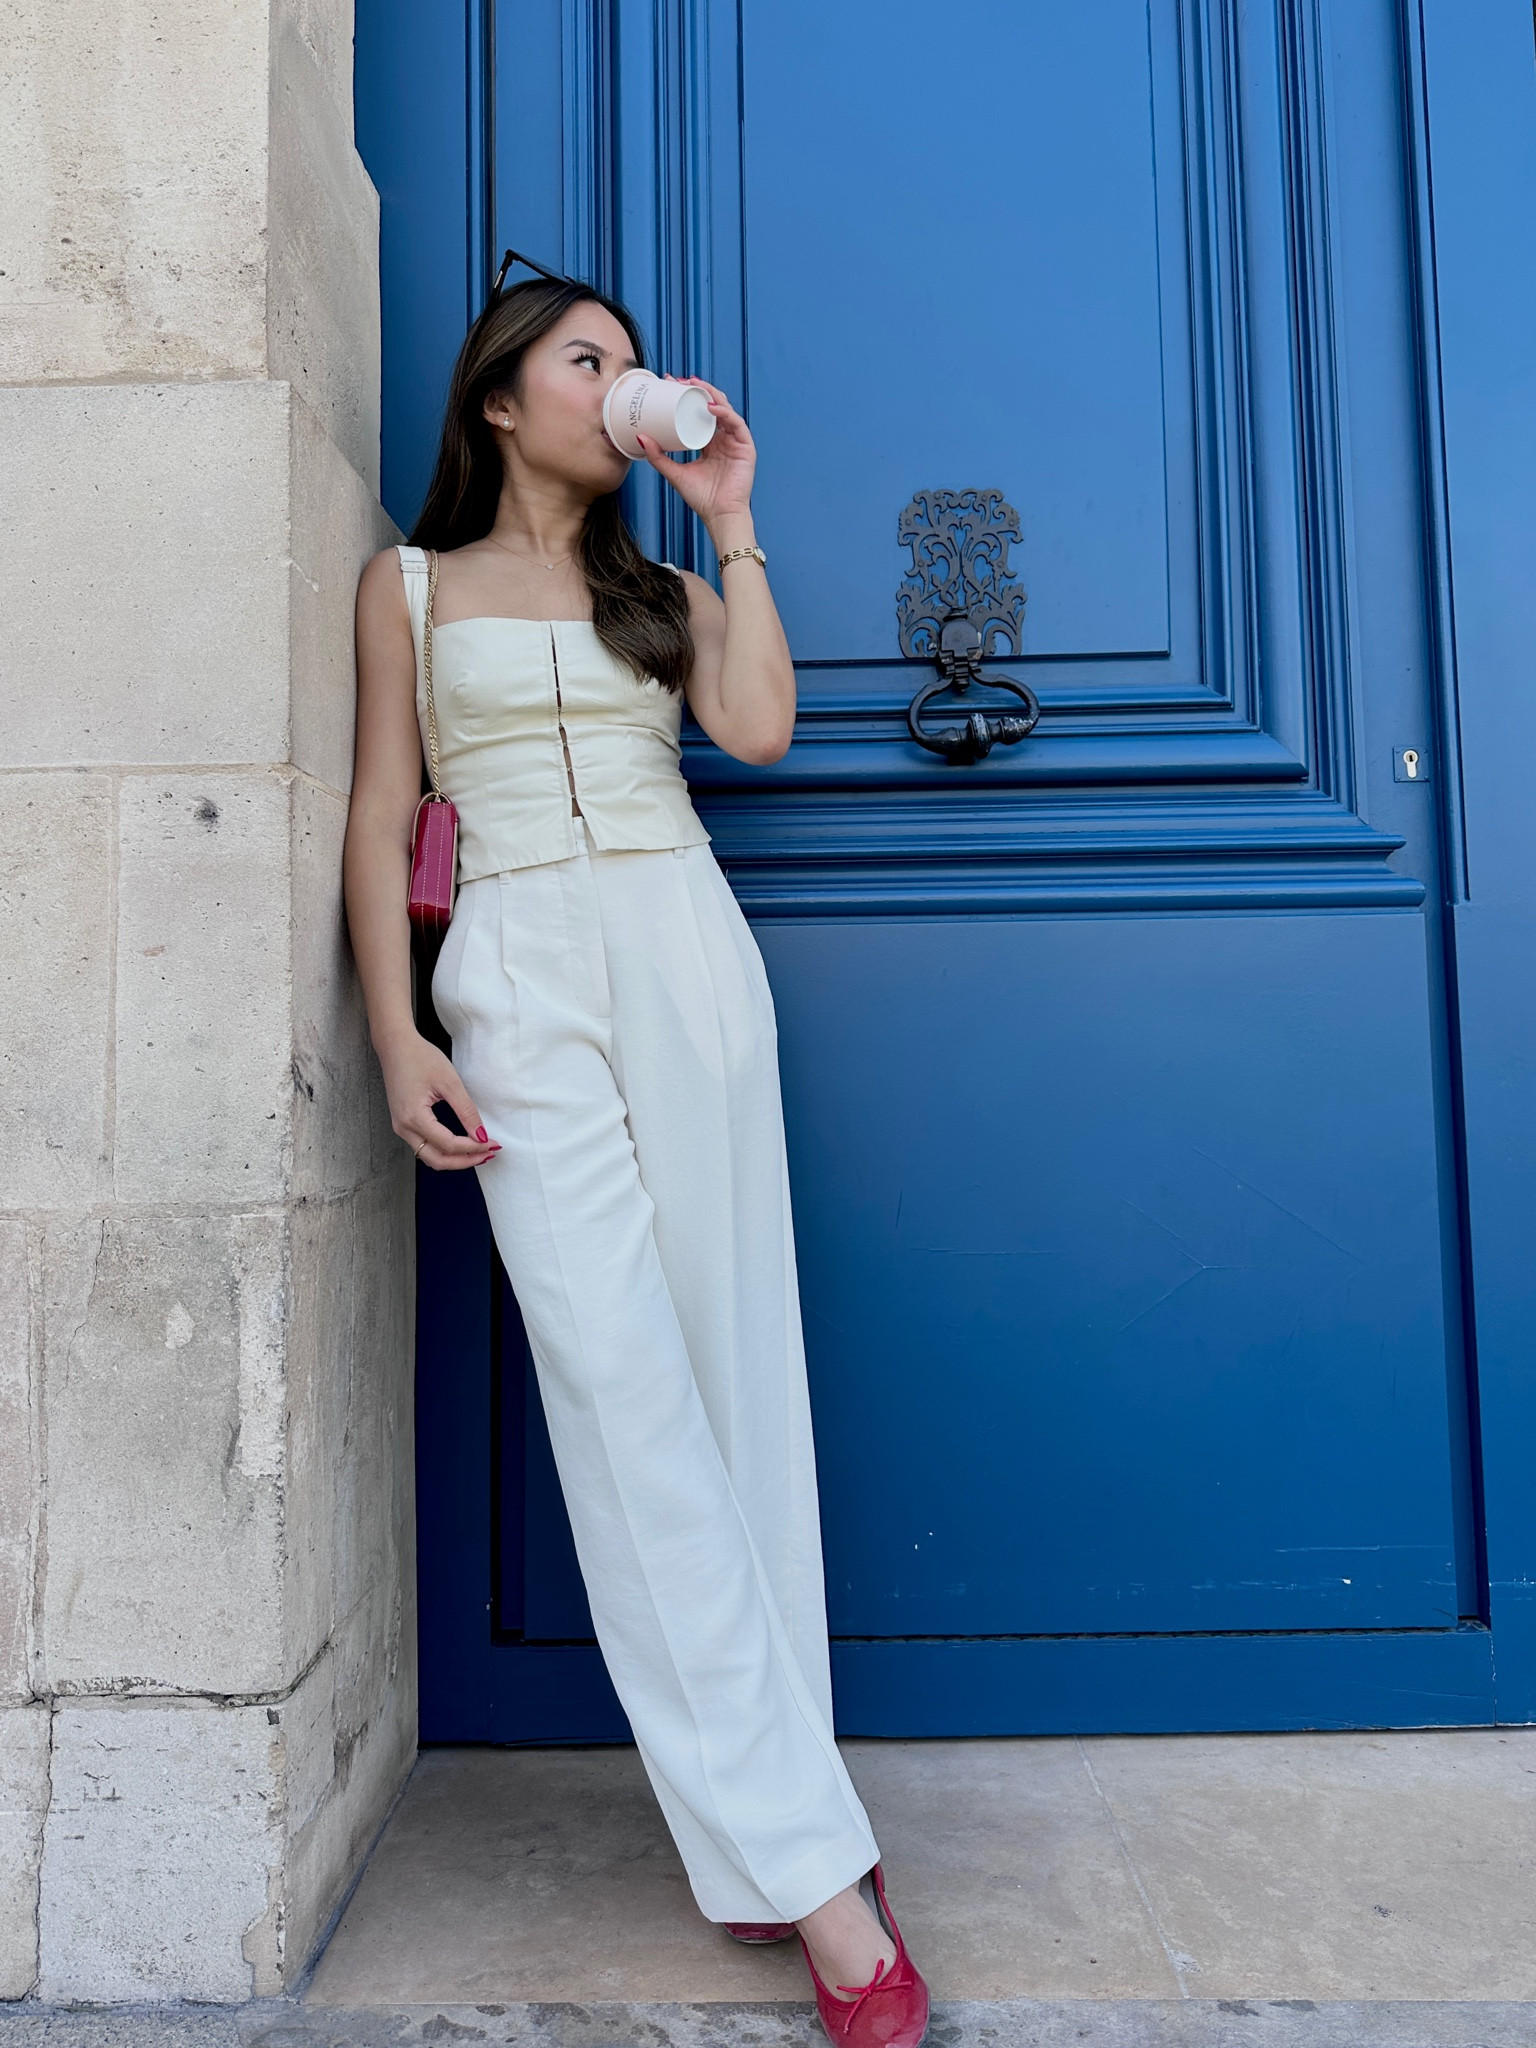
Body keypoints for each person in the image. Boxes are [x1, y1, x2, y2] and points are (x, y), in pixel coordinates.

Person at [344, 271, 929, 2048]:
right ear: (502, 400)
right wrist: (399, 1033)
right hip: (513, 972)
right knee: (620, 1388)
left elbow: (757, 729)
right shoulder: (408, 586)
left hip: (685, 950)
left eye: (630, 361)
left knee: (736, 1380)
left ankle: (782, 1841)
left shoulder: (660, 590)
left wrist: (729, 517)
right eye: (584, 360)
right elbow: (378, 810)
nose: (621, 382)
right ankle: (823, 1881)